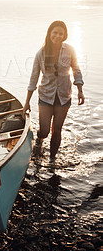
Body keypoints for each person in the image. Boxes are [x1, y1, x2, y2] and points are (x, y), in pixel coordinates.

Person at [23, 20, 85, 159]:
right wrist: (27, 102)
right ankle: (40, 139)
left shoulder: (70, 50)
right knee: (44, 131)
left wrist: (80, 90)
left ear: (65, 35)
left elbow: (76, 69)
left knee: (57, 130)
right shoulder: (41, 53)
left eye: (60, 33)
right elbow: (34, 78)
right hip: (46, 96)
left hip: (63, 97)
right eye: (55, 32)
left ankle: (52, 161)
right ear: (50, 33)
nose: (57, 36)